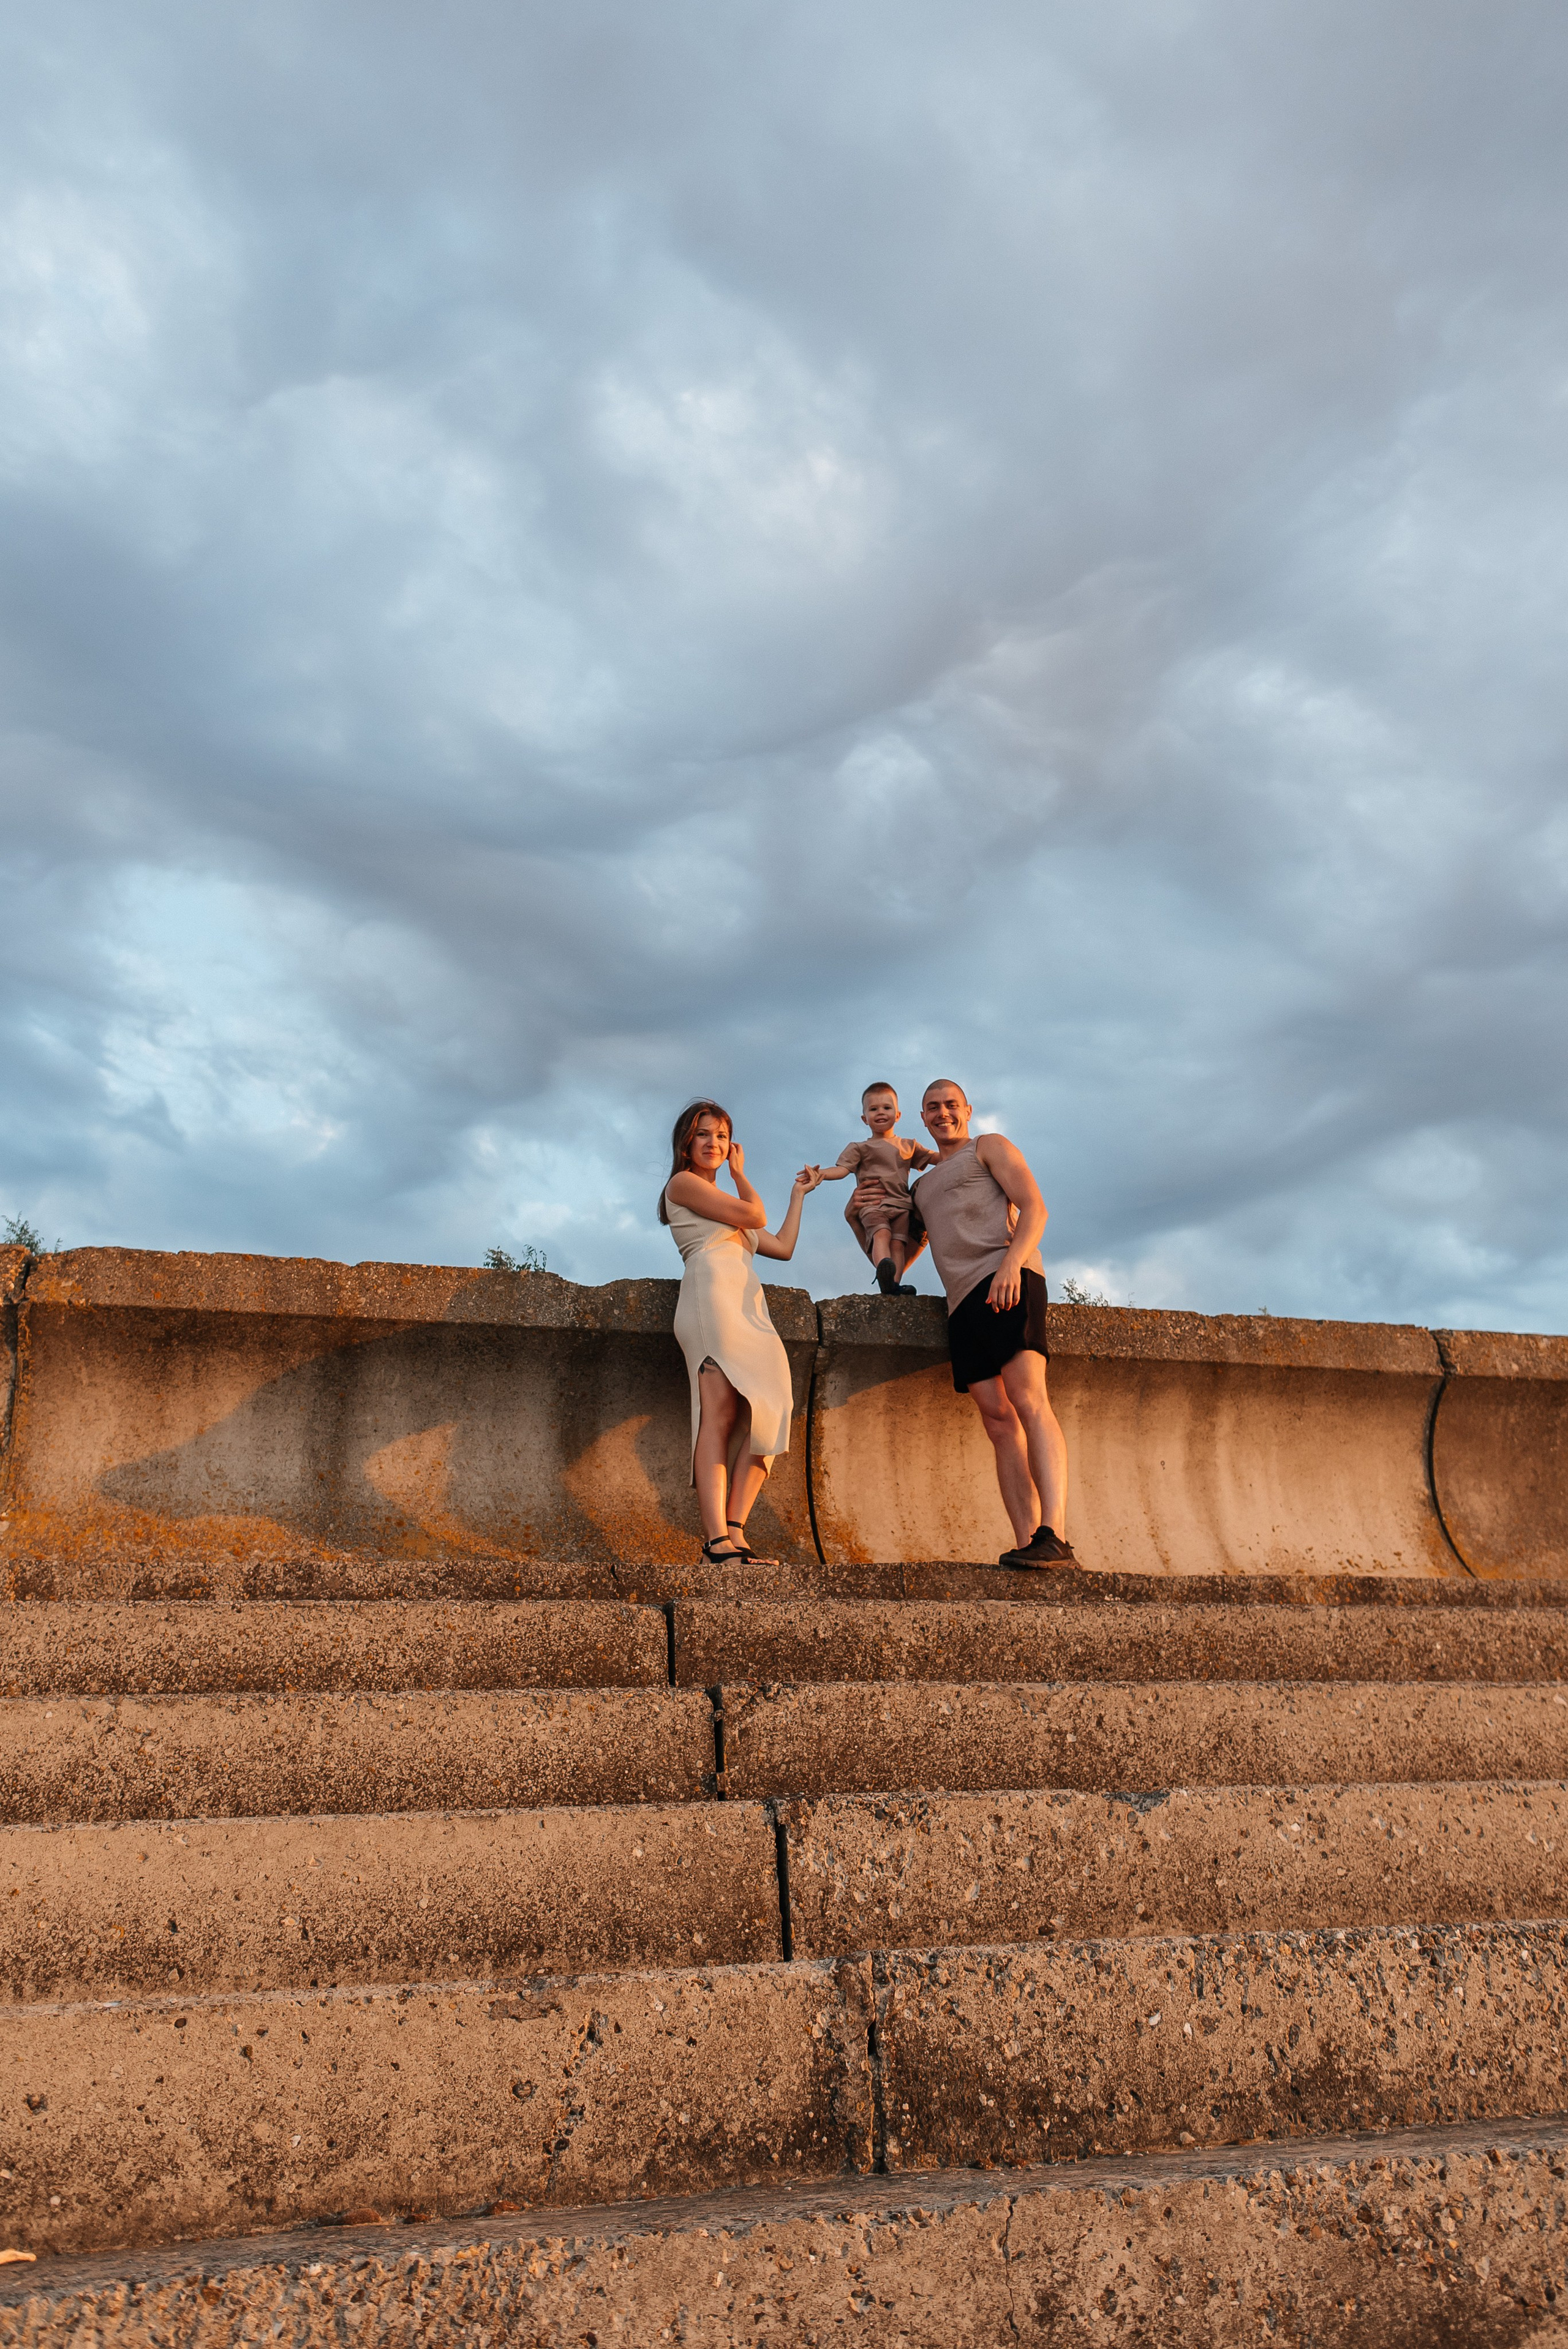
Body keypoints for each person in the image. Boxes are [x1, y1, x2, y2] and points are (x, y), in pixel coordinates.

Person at [854, 1077, 1075, 1569]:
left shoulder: (989, 1146)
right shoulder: (923, 1186)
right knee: (998, 1421)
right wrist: (861, 1217)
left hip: (1007, 1279)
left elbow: (1036, 1207)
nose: (942, 1113)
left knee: (1028, 1399)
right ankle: (1027, 1543)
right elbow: (902, 1257)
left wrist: (1014, 1263)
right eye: (932, 1107)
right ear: (923, 1117)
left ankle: (1055, 1533)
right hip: (962, 1304)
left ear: (967, 1109)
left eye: (951, 1104)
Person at [660, 1099, 823, 1566]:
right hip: (710, 1297)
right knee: (720, 1414)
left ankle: (735, 1530)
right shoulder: (684, 1183)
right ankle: (717, 1541)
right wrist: (739, 1173)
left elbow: (784, 1247)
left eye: (722, 1137)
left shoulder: (728, 1208)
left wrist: (798, 1196)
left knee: (775, 1407)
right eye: (705, 1135)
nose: (715, 1144)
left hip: (748, 1305)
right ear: (686, 1143)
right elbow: (754, 1214)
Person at [812, 1080, 937, 1295]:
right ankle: (884, 1272)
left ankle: (893, 1286)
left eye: (887, 1108)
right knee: (881, 1235)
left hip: (902, 1206)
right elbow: (841, 1170)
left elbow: (937, 1157)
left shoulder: (909, 1146)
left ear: (898, 1115)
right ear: (865, 1118)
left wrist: (968, 1148)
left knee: (898, 1244)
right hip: (874, 1204)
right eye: (873, 1109)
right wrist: (821, 1174)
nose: (880, 1112)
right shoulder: (860, 1148)